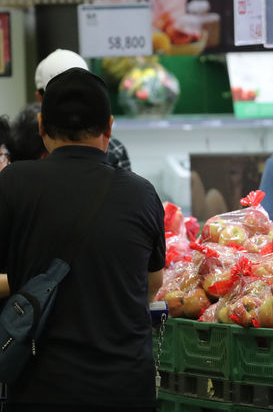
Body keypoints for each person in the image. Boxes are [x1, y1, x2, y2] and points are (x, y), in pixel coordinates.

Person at [0, 68, 165, 411]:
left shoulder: (13, 183)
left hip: (42, 389)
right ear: (108, 128)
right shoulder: (141, 193)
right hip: (125, 389)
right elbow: (151, 284)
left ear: (42, 127)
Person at [35, 48, 132, 170]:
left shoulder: (21, 161)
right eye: (62, 99)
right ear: (108, 126)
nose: (73, 107)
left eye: (81, 96)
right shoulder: (114, 149)